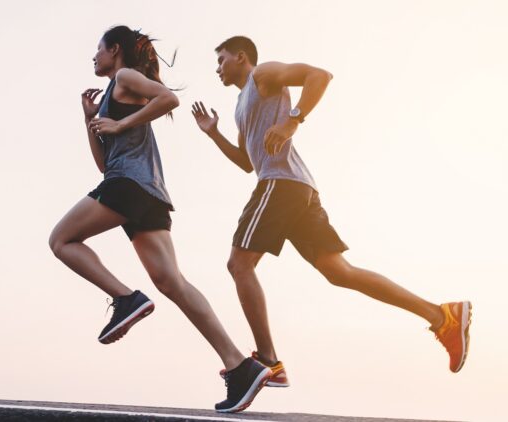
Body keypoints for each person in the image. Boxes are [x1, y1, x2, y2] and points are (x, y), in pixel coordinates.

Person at [191, 36, 471, 385]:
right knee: (339, 271)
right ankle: (442, 316)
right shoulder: (240, 105)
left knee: (239, 264)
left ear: (240, 57)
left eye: (221, 60)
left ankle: (269, 362)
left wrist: (293, 121)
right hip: (295, 186)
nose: (217, 68)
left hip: (281, 184)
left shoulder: (262, 75)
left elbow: (319, 75)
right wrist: (213, 134)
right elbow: (247, 163)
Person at [49, 26, 271, 413]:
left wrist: (119, 124)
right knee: (174, 283)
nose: (94, 58)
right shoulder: (109, 98)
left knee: (61, 241)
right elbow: (106, 163)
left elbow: (168, 99)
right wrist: (91, 121)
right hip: (144, 192)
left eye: (98, 50)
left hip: (130, 187)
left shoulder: (125, 76)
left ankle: (125, 298)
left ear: (115, 50)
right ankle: (240, 366)